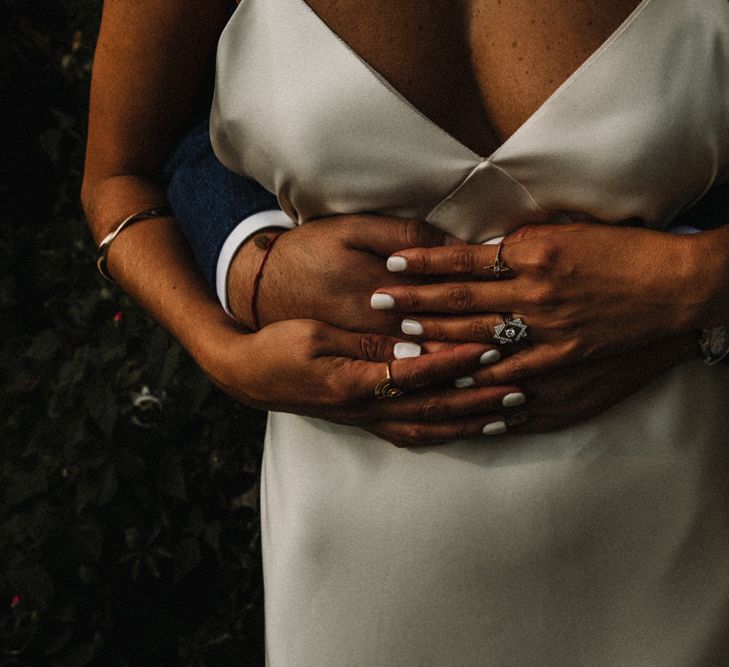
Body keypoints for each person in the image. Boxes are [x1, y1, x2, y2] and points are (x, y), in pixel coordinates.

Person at [82, 0, 729, 663]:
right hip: (351, 554)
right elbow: (119, 173)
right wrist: (224, 351)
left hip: (676, 518)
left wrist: (695, 281)